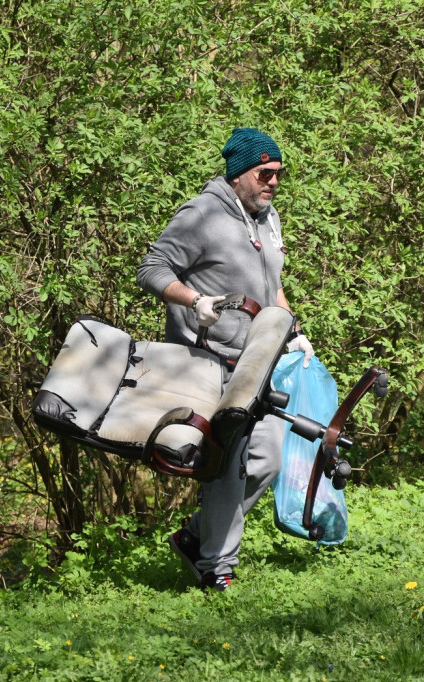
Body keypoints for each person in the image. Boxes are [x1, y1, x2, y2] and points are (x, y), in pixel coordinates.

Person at [136, 128, 314, 591]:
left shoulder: (267, 216)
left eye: (278, 173)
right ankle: (217, 567)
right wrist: (195, 301)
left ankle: (196, 537)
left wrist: (290, 328)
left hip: (259, 361)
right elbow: (151, 269)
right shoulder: (202, 214)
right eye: (265, 173)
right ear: (239, 175)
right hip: (210, 362)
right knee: (228, 467)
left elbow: (269, 281)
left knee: (267, 460)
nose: (274, 181)